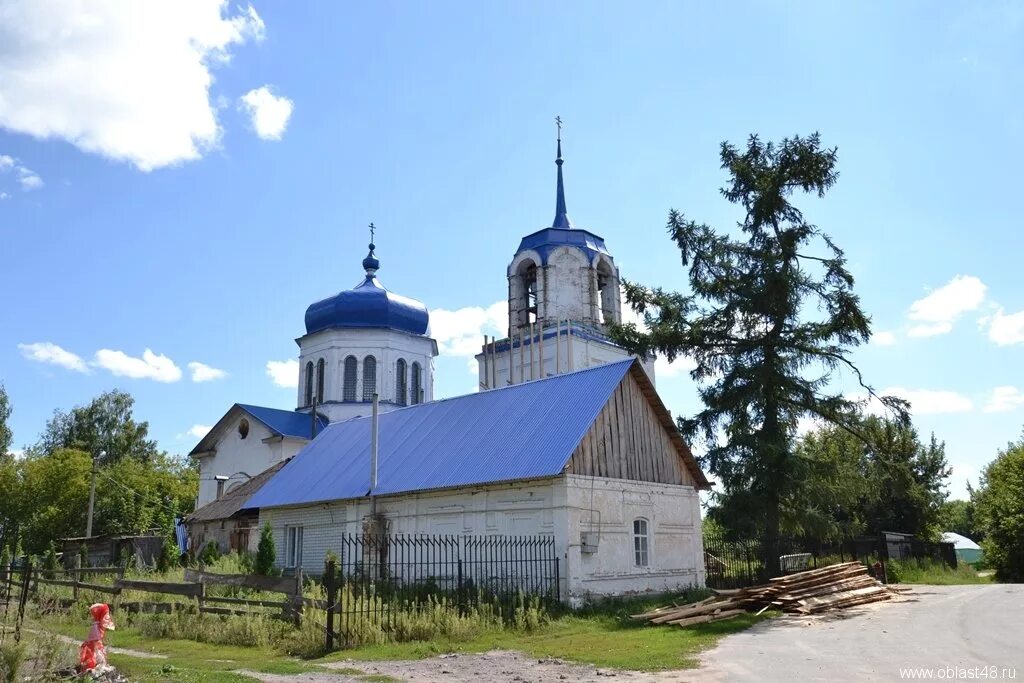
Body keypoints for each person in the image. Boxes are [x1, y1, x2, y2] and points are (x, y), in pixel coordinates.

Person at [79, 602, 116, 672]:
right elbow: (94, 642)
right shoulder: (96, 627)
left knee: (99, 661)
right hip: (94, 649)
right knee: (96, 661)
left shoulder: (97, 626)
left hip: (96, 648)